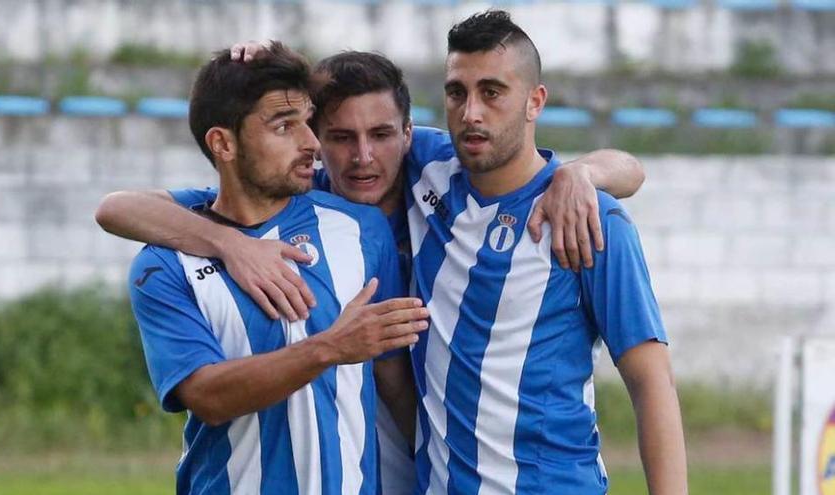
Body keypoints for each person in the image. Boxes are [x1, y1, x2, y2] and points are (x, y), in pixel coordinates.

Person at [96, 50, 646, 495]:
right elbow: (117, 208)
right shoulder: (221, 228)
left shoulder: (412, 190)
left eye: (381, 135)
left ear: (408, 135)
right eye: (336, 136)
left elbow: (627, 168)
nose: (363, 156)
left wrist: (579, 172)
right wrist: (228, 244)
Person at [400, 10, 687, 494]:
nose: (471, 112)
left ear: (535, 102)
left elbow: (651, 382)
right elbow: (335, 130)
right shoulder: (423, 166)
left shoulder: (589, 218)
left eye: (492, 92)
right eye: (456, 92)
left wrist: (583, 173)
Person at [126, 43, 429, 495]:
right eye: (285, 127)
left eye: (308, 123)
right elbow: (209, 397)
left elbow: (392, 378)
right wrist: (329, 347)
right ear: (223, 143)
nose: (311, 143)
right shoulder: (165, 265)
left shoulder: (360, 227)